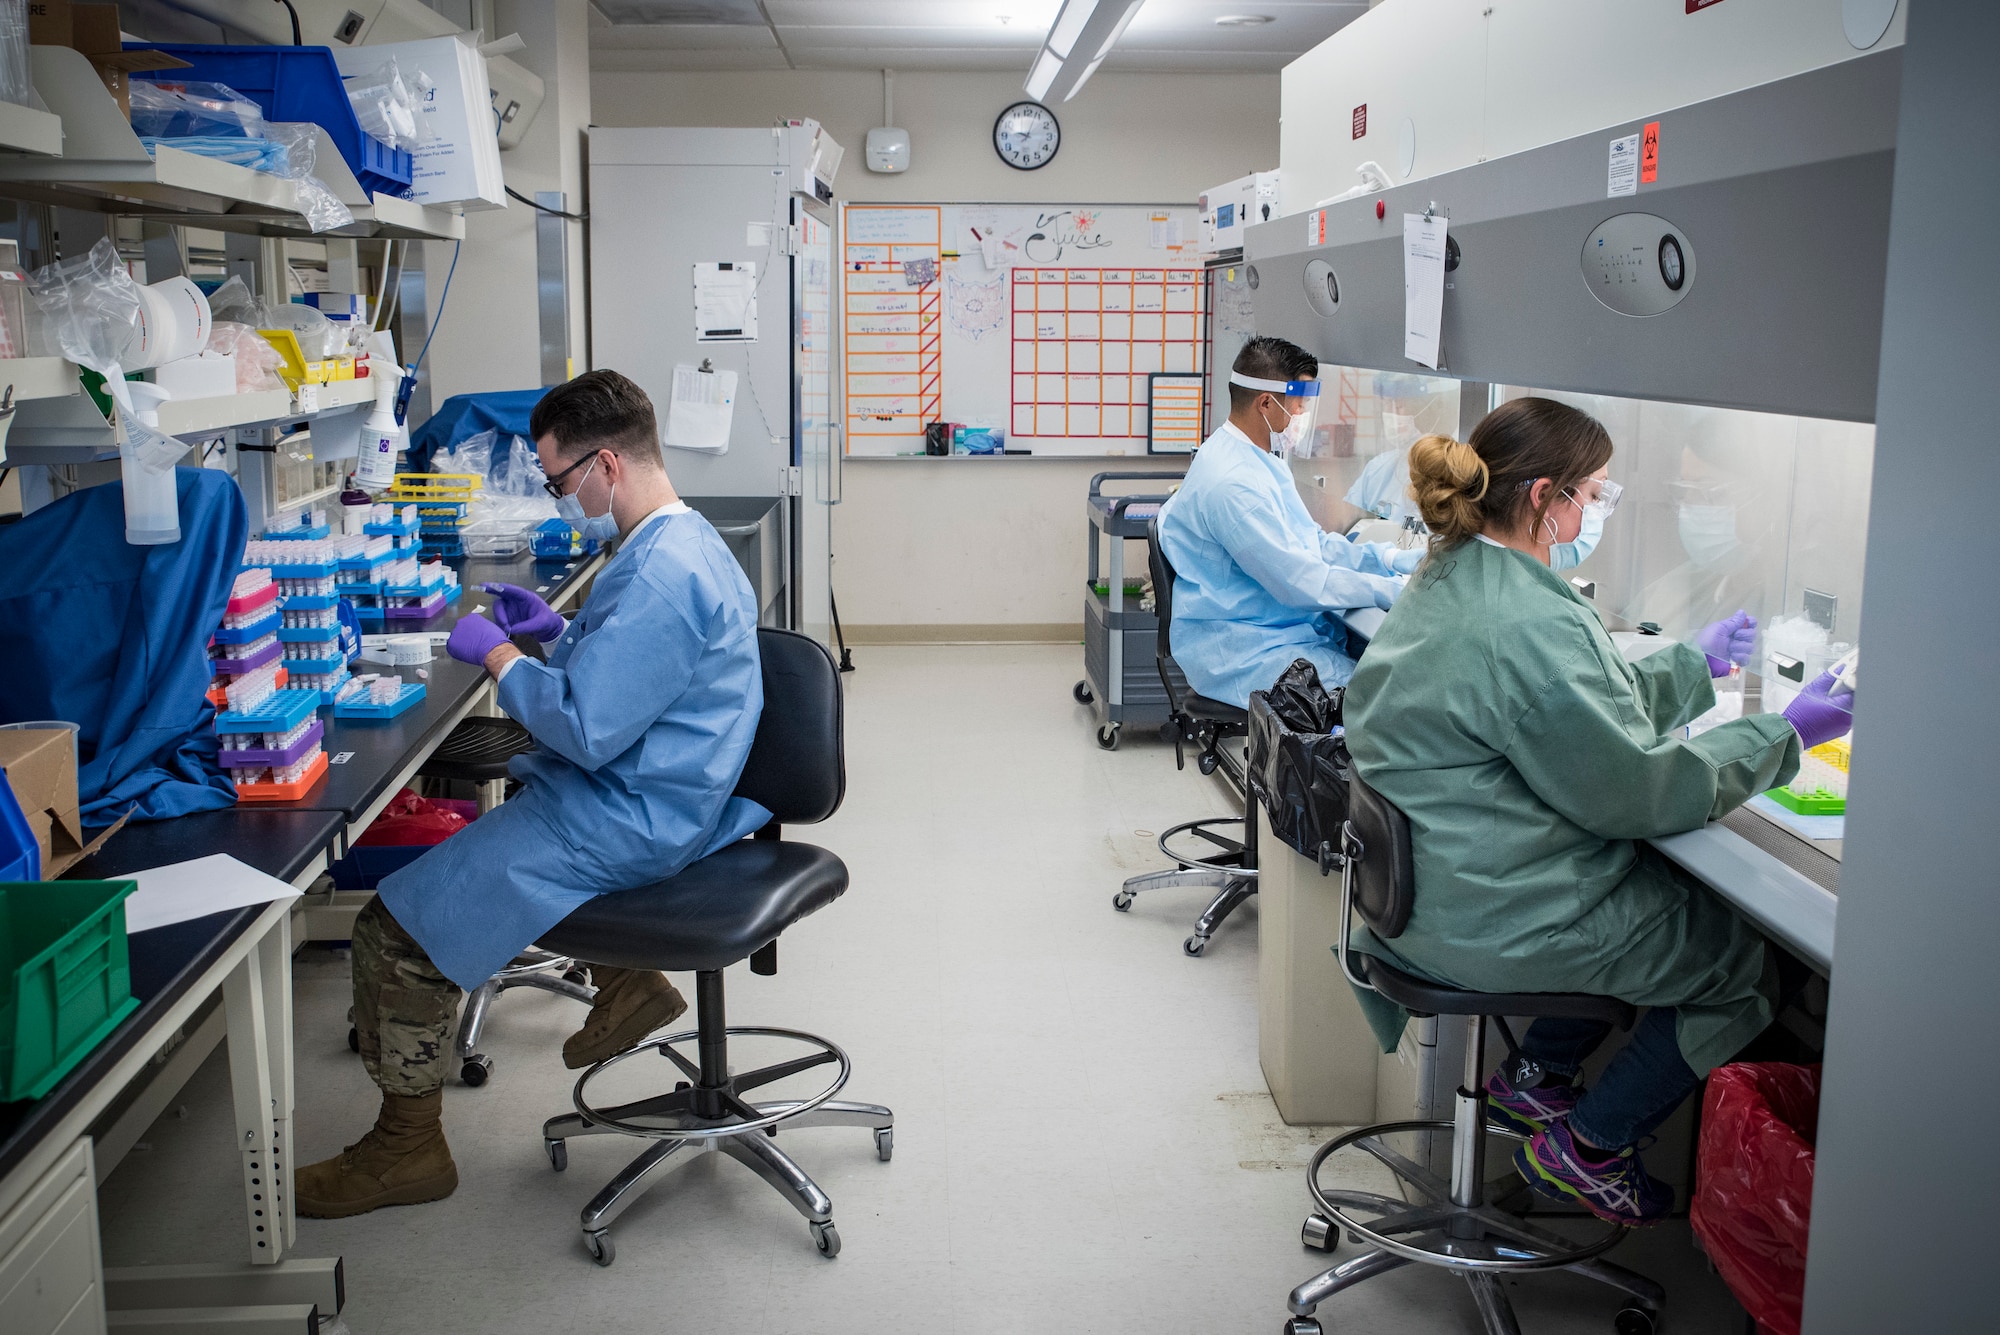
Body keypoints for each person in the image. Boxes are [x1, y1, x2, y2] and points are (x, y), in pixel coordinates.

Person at [1341, 397, 1853, 1226]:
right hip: (1491, 915)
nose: (1600, 511)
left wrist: (1694, 664)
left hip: (1427, 895)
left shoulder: (1456, 570)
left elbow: (1575, 713)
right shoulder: (1527, 618)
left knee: (1657, 898)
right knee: (1739, 964)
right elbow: (1633, 788)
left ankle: (1535, 1079)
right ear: (1547, 496)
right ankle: (1589, 1144)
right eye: (1597, 494)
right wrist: (1785, 733)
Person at [297, 370, 770, 1219]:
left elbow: (588, 729)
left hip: (628, 814)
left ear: (605, 466)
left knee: (392, 930)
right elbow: (634, 670)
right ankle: (628, 981)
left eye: (558, 483)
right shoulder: (681, 543)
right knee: (509, 815)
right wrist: (557, 632)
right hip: (666, 790)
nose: (558, 500)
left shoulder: (661, 575)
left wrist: (500, 658)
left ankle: (406, 1149)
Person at [1156, 337, 1421, 707]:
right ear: (1266, 402)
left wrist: (1386, 559)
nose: (1301, 415)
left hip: (1270, 629)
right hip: (1243, 650)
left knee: (1382, 666)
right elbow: (1299, 581)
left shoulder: (1256, 459)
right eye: (1299, 405)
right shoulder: (1233, 484)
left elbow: (1309, 542)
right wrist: (1388, 590)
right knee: (1386, 698)